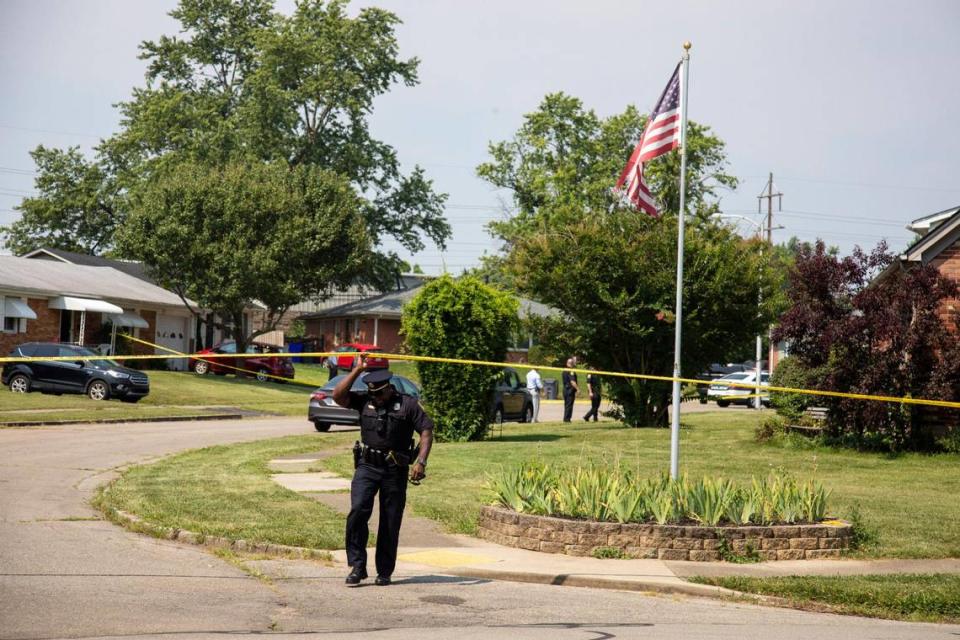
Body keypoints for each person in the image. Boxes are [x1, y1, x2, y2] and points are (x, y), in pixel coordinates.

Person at [333, 356, 433, 587]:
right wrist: (357, 369)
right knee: (358, 511)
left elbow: (426, 430)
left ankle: (384, 571)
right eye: (372, 394)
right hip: (367, 465)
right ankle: (357, 567)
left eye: (379, 394)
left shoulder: (407, 404)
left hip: (395, 468)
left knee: (390, 520)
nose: (375, 398)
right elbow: (338, 396)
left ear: (388, 388)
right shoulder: (365, 401)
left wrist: (421, 462)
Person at [561, 356, 578, 422]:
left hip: (565, 389)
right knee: (569, 405)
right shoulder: (571, 371)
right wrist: (578, 389)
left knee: (566, 405)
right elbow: (572, 382)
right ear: (571, 363)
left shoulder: (564, 370)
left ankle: (566, 418)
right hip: (570, 390)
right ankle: (567, 419)